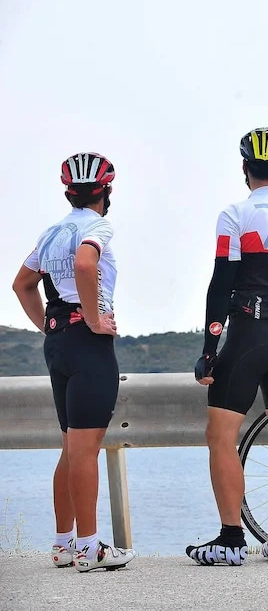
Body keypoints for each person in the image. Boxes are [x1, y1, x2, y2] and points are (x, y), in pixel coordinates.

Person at [186, 127, 268, 566]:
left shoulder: (235, 214)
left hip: (250, 333)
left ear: (245, 168)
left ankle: (230, 539)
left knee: (221, 434)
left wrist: (210, 348)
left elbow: (221, 283)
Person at [11, 153, 137, 572]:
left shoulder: (51, 233)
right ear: (106, 193)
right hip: (88, 345)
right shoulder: (97, 226)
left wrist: (48, 328)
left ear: (68, 193)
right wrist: (95, 319)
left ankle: (64, 544)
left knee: (70, 448)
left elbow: (22, 284)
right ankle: (89, 549)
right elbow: (85, 262)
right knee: (85, 450)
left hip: (59, 344)